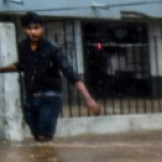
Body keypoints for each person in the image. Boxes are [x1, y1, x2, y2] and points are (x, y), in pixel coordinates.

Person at [0, 12, 101, 142]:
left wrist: (88, 98)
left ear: (42, 28)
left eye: (36, 28)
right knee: (37, 137)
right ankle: (44, 160)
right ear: (24, 30)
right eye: (29, 29)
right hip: (31, 98)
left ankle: (49, 160)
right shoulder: (23, 47)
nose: (33, 32)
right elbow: (22, 65)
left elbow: (70, 73)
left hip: (50, 97)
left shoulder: (53, 49)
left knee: (43, 136)